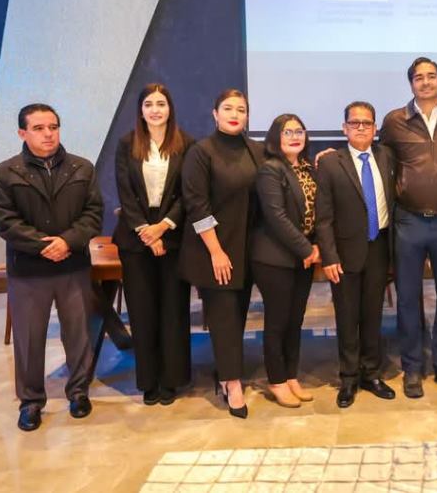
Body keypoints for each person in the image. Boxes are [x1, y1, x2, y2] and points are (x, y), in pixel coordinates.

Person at [0, 104, 103, 431]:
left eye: (53, 127)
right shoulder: (5, 172)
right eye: (38, 128)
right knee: (29, 338)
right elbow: (5, 221)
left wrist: (67, 241)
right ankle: (31, 402)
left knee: (78, 334)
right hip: (28, 269)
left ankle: (78, 392)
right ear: (22, 133)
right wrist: (43, 245)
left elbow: (93, 213)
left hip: (72, 264)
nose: (48, 134)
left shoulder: (82, 167)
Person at [379, 57, 437, 398]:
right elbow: (377, 158)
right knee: (407, 298)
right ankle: (412, 368)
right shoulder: (394, 121)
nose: (426, 82)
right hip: (409, 220)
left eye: (432, 76)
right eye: (419, 77)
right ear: (411, 84)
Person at [178, 89, 263, 418]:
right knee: (224, 317)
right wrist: (216, 251)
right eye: (228, 108)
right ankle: (232, 383)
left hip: (245, 248)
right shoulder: (201, 152)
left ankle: (227, 371)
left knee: (237, 316)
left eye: (241, 109)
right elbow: (197, 205)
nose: (235, 114)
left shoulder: (255, 150)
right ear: (215, 114)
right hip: (213, 249)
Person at [113, 83, 194, 407]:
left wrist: (162, 227)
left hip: (173, 237)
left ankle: (171, 379)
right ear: (141, 110)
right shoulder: (126, 144)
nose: (155, 110)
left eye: (161, 103)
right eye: (149, 104)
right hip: (135, 240)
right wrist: (146, 232)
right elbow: (124, 192)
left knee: (173, 311)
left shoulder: (187, 143)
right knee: (142, 312)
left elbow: (188, 193)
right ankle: (149, 381)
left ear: (170, 108)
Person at [316, 102, 398, 408]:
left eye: (367, 123)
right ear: (344, 128)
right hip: (344, 253)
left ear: (376, 128)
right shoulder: (330, 163)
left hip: (379, 247)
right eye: (355, 123)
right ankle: (349, 378)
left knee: (373, 315)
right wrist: (329, 256)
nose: (361, 127)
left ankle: (371, 373)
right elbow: (323, 217)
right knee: (347, 317)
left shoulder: (387, 156)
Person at [251, 114, 321, 409]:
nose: (295, 136)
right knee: (278, 322)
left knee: (295, 320)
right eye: (287, 132)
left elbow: (315, 211)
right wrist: (307, 249)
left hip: (302, 258)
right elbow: (276, 217)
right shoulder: (270, 169)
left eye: (299, 131)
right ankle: (277, 381)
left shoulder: (307, 168)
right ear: (275, 137)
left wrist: (313, 246)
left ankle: (291, 376)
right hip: (274, 258)